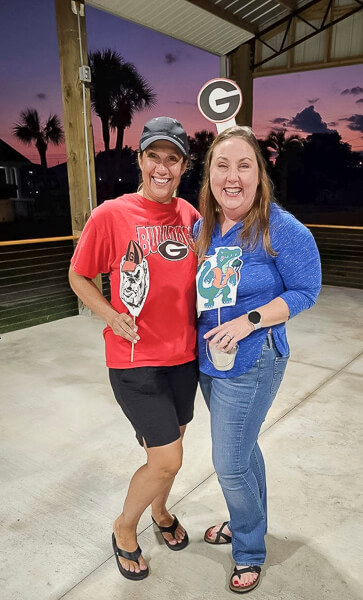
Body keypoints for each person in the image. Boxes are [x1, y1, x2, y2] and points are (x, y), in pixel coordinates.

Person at [69, 117, 200, 581]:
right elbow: (78, 274)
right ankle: (125, 528)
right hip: (135, 359)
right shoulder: (112, 214)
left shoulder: (191, 217)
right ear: (140, 160)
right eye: (154, 156)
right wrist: (108, 314)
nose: (162, 167)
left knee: (171, 450)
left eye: (173, 158)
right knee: (167, 458)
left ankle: (160, 513)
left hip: (185, 358)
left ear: (184, 165)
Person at [194, 126, 321, 593]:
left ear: (259, 174)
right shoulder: (203, 226)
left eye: (243, 165)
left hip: (252, 359)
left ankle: (248, 549)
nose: (232, 176)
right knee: (244, 450)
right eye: (221, 166)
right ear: (209, 174)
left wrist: (250, 320)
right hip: (210, 360)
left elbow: (307, 291)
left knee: (228, 463)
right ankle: (247, 522)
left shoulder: (280, 227)